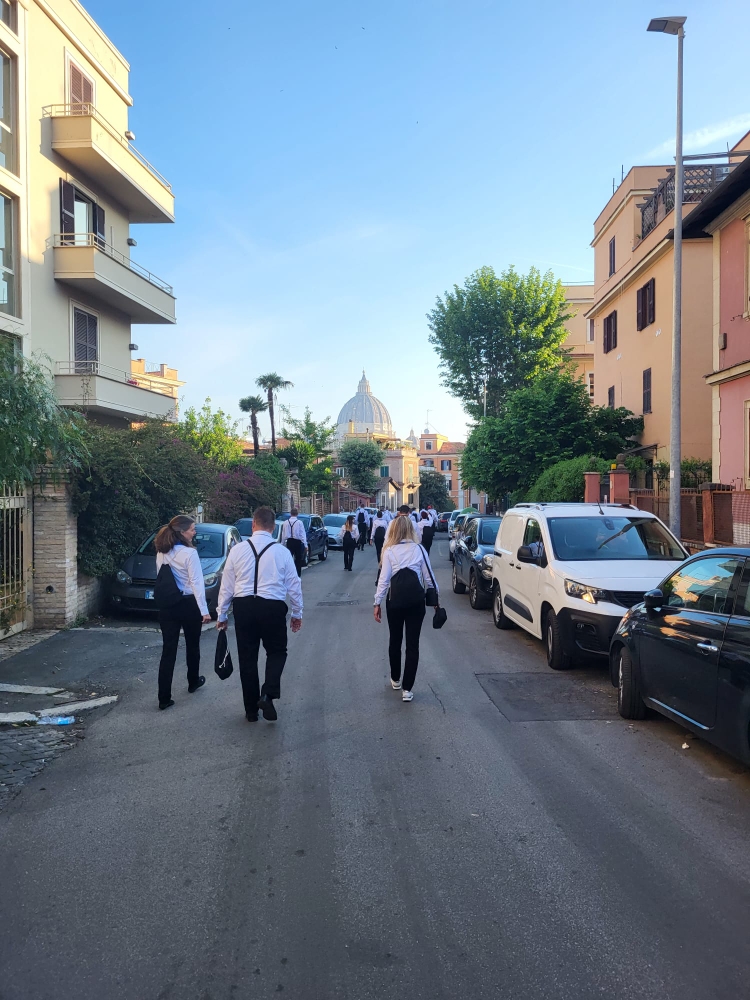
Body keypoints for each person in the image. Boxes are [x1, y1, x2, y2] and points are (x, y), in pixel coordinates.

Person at [217, 506, 302, 722]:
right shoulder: (282, 552)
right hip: (272, 606)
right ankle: (267, 693)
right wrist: (297, 612)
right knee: (277, 652)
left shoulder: (237, 550)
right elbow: (294, 585)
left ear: (253, 524)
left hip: (243, 606)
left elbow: (227, 585)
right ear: (273, 528)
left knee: (247, 658)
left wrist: (222, 614)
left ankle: (251, 711)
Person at [373, 514, 439, 702]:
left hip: (394, 601)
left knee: (395, 640)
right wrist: (436, 600)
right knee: (413, 644)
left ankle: (395, 678)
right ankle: (408, 689)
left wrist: (377, 603)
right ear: (411, 529)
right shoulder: (419, 549)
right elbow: (429, 578)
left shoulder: (389, 551)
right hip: (416, 602)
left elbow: (383, 581)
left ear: (394, 530)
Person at [154, 515, 211, 711]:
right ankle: (193, 681)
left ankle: (163, 697)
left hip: (168, 605)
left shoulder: (161, 552)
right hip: (188, 604)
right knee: (192, 644)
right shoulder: (189, 553)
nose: (194, 532)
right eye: (192, 529)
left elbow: (161, 578)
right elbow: (197, 583)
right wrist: (204, 610)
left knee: (168, 650)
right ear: (182, 532)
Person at [281, 508, 307, 577]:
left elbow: (283, 534)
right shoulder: (299, 522)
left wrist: (282, 544)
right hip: (297, 542)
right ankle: (298, 575)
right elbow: (302, 534)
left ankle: (289, 574)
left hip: (289, 541)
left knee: (289, 559)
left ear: (290, 513)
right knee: (298, 559)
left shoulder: (285, 522)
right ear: (297, 514)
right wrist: (305, 545)